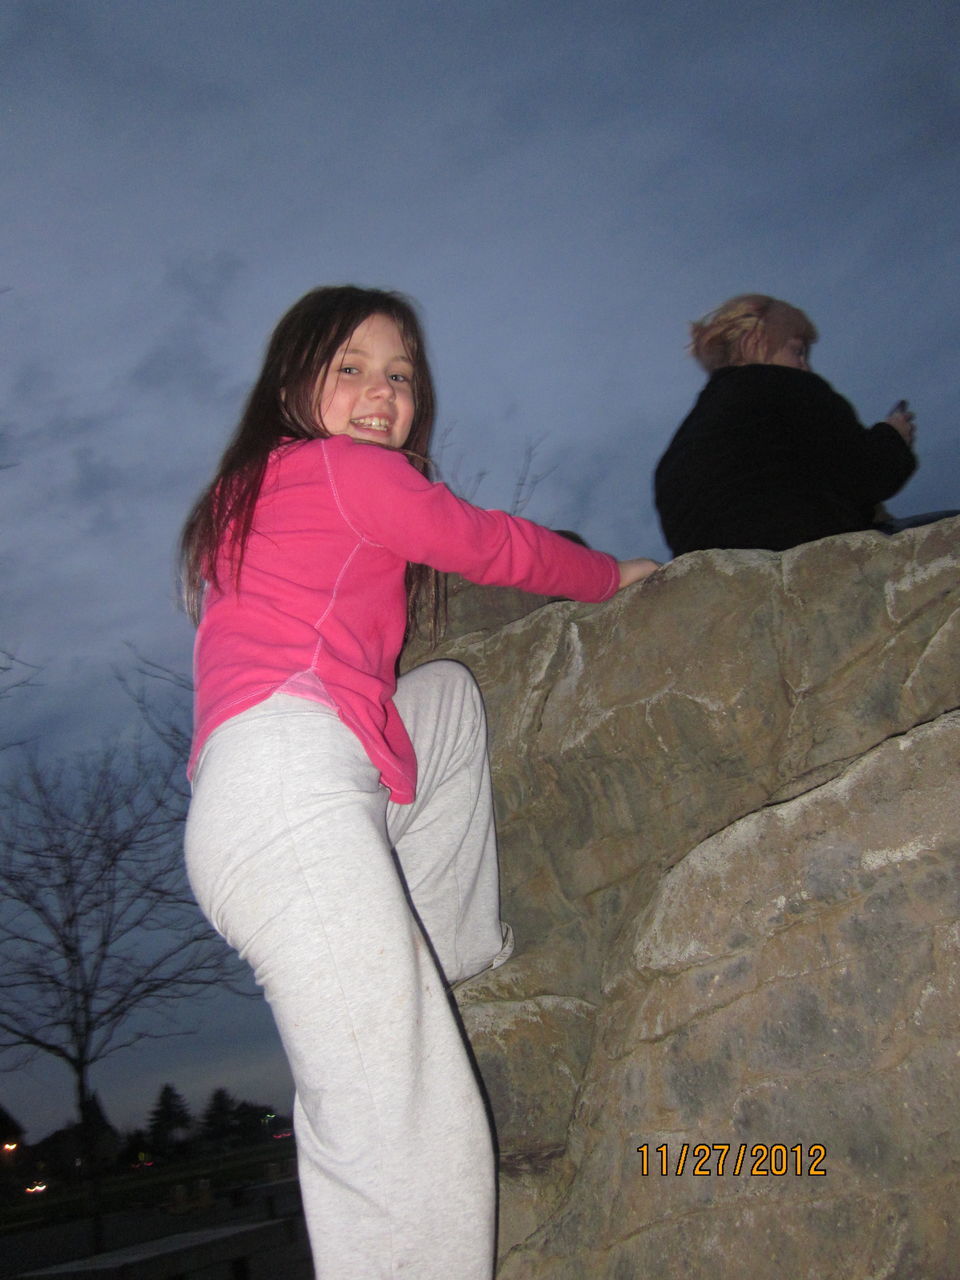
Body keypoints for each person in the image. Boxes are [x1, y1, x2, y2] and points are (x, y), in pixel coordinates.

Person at [179, 285, 659, 1279]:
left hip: (290, 783)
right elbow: (493, 544)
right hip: (290, 801)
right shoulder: (345, 471)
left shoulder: (249, 488)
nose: (379, 392)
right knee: (399, 1122)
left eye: (399, 375)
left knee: (441, 699)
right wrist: (613, 575)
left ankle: (443, 949)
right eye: (348, 367)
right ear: (291, 384)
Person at [653, 293, 922, 556]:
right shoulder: (788, 387)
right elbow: (869, 475)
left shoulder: (678, 450)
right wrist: (894, 435)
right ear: (754, 340)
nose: (805, 366)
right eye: (797, 351)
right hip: (815, 559)